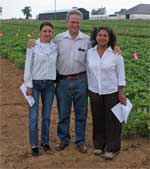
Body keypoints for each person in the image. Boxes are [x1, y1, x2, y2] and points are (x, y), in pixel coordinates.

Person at [86, 26, 126, 160]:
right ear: (95, 37)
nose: (102, 38)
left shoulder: (115, 54)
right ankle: (99, 145)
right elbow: (88, 72)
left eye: (105, 35)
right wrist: (89, 89)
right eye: (100, 35)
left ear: (109, 38)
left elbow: (121, 75)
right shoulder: (90, 53)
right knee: (98, 118)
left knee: (113, 120)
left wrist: (120, 93)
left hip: (112, 92)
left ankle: (112, 147)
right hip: (95, 91)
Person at [54, 10, 90, 154]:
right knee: (63, 113)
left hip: (81, 81)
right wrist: (32, 44)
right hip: (63, 82)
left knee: (81, 113)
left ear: (80, 23)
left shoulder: (87, 40)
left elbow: (99, 53)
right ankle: (63, 139)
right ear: (67, 22)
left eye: (77, 22)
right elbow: (46, 49)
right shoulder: (58, 39)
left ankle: (80, 141)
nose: (75, 24)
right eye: (72, 22)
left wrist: (115, 49)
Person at [24, 22, 58, 156]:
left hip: (49, 84)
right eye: (45, 31)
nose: (47, 33)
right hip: (35, 84)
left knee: (46, 116)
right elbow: (28, 65)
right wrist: (28, 85)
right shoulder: (33, 46)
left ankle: (45, 142)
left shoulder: (55, 47)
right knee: (33, 116)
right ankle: (34, 144)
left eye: (50, 31)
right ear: (40, 32)